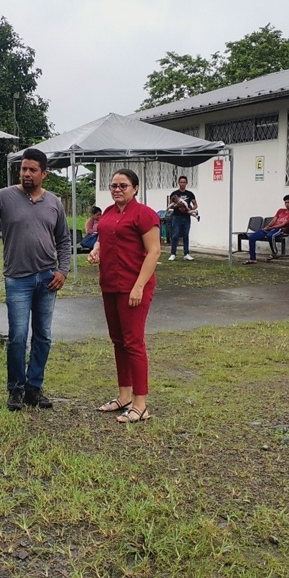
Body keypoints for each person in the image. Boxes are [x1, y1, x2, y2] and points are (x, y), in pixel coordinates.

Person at [0, 148, 72, 412]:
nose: (26, 174)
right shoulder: (3, 197)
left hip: (48, 278)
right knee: (18, 337)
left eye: (33, 170)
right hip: (17, 280)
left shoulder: (54, 203)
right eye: (23, 169)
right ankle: (16, 390)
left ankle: (34, 388)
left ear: (44, 174)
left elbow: (64, 240)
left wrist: (63, 271)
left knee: (43, 336)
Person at [88, 169, 162, 423]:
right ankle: (124, 396)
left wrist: (139, 286)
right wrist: (97, 249)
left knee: (133, 342)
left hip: (133, 286)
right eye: (113, 186)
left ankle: (141, 404)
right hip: (110, 284)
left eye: (123, 185)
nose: (117, 189)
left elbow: (154, 252)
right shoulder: (108, 213)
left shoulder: (144, 215)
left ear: (135, 188)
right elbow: (105, 238)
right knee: (118, 341)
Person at [244, 194, 289, 264]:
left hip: (280, 229)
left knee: (270, 235)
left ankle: (274, 253)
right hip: (271, 228)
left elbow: (283, 224)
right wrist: (267, 227)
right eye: (285, 202)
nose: (287, 204)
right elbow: (274, 220)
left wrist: (271, 228)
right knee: (252, 237)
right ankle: (252, 259)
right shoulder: (280, 210)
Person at [167, 175, 198, 261]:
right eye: (181, 182)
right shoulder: (174, 194)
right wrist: (177, 206)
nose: (182, 184)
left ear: (186, 183)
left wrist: (190, 210)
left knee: (186, 235)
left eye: (184, 182)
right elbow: (170, 205)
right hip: (177, 217)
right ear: (178, 183)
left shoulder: (190, 194)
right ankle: (173, 254)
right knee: (175, 235)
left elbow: (195, 205)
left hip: (186, 217)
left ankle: (186, 254)